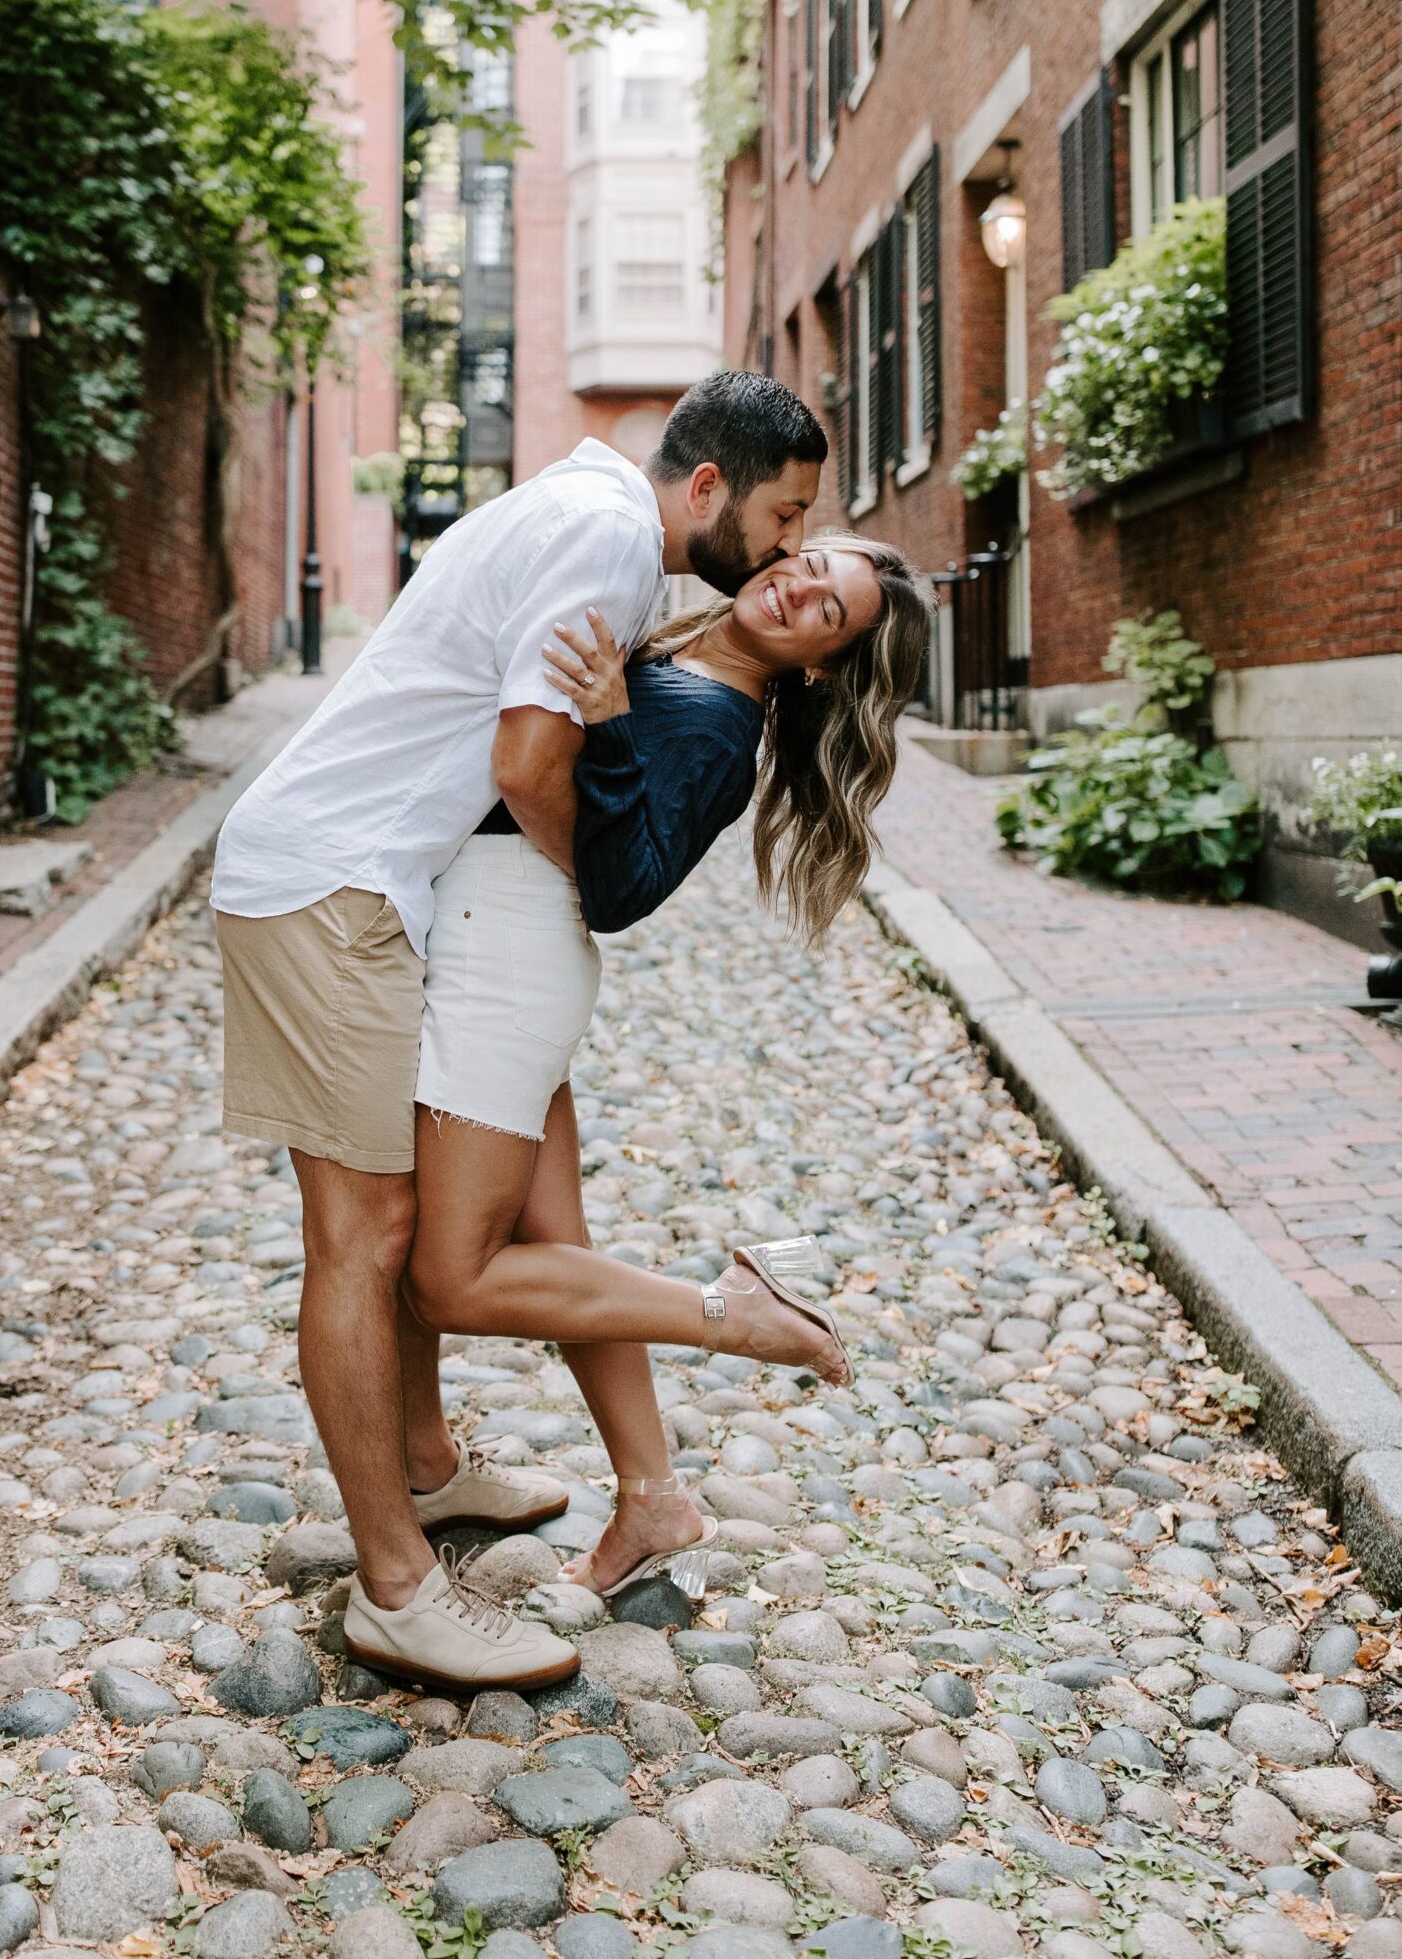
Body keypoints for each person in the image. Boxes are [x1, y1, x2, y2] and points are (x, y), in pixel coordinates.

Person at [210, 372, 828, 1689]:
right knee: (366, 1240)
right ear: (708, 487)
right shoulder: (608, 537)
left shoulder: (589, 511)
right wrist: (580, 880)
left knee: (407, 1232)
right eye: (781, 520)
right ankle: (396, 1591)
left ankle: (425, 1476)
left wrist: (582, 857)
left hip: (367, 884)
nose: (783, 552)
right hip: (329, 880)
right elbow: (521, 768)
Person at [405, 535, 934, 1598]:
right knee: (561, 1250)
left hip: (507, 963)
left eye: (825, 608)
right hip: (502, 951)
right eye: (810, 560)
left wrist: (603, 720)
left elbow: (624, 884)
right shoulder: (690, 654)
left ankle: (729, 1313)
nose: (795, 585)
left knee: (449, 1274)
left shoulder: (713, 723)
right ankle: (652, 1501)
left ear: (821, 664)